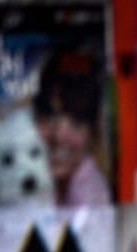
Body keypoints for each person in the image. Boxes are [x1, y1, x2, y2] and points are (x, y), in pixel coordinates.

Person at [34, 51, 110, 207]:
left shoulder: (92, 199)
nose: (59, 135)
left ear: (93, 133)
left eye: (77, 122)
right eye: (49, 116)